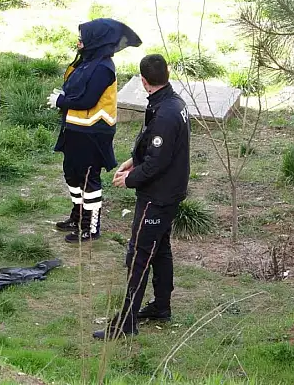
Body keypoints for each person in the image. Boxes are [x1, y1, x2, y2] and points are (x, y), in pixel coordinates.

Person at [92, 54, 191, 340]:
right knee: (160, 249)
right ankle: (161, 306)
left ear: (144, 81)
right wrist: (134, 161)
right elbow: (156, 149)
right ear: (166, 74)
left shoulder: (165, 113)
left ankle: (127, 322)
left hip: (157, 196)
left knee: (139, 255)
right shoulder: (172, 103)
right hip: (170, 191)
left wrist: (130, 179)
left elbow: (158, 161)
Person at [46, 18, 141, 244]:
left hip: (94, 133)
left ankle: (91, 227)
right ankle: (78, 217)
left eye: (83, 37)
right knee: (72, 174)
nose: (79, 41)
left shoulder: (104, 68)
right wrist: (65, 96)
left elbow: (88, 100)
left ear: (96, 41)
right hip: (75, 129)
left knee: (89, 179)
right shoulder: (87, 61)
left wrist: (62, 101)